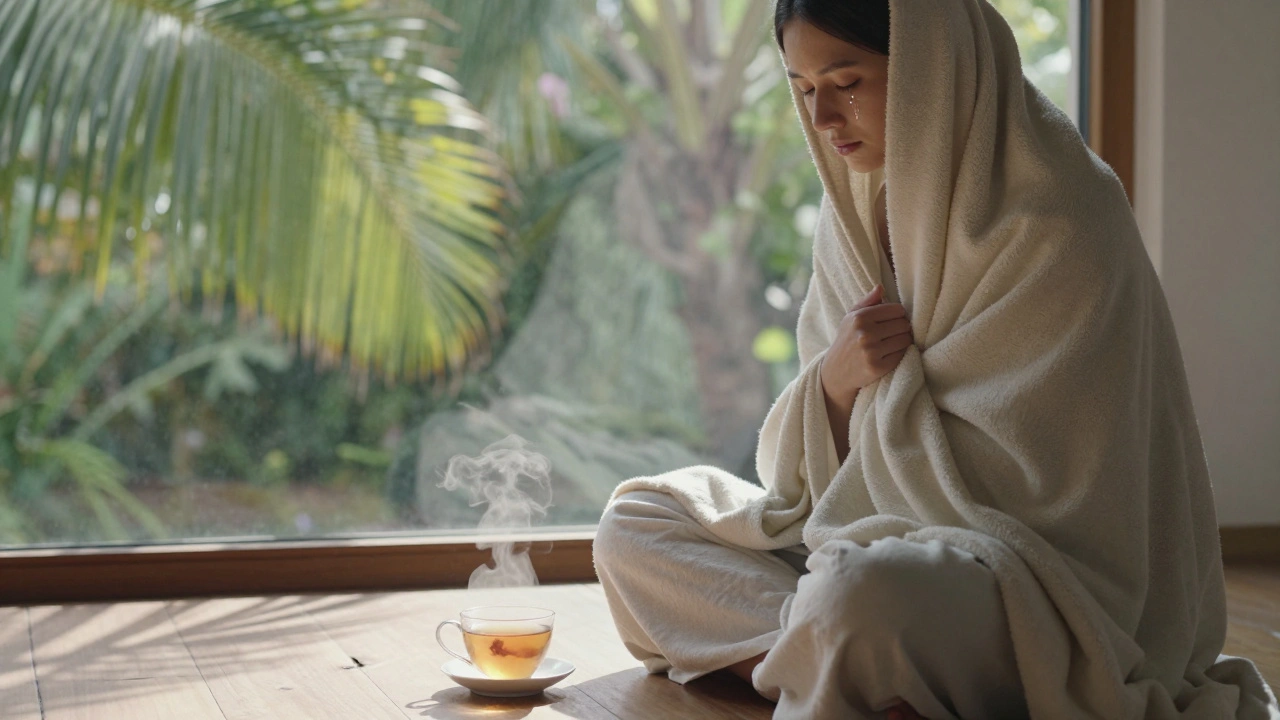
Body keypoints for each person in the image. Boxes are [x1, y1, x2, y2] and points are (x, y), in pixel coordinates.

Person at [593, 1, 1280, 718]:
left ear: (931, 66)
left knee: (866, 595)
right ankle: (857, 670)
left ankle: (842, 662)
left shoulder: (1062, 213)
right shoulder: (853, 207)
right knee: (637, 525)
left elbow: (1070, 493)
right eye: (803, 88)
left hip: (1011, 578)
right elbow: (807, 487)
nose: (822, 118)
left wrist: (878, 521)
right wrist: (834, 382)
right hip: (859, 553)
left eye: (846, 83)